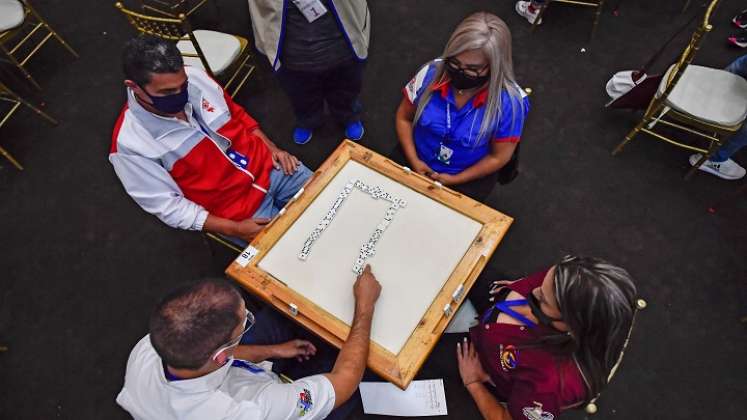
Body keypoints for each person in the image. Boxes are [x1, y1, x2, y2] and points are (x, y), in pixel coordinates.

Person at [110, 36, 311, 244]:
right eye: (167, 92)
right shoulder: (129, 145)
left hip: (273, 168)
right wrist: (235, 229)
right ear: (133, 87)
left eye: (183, 85)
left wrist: (272, 148)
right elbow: (170, 208)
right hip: (239, 214)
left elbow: (237, 115)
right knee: (297, 253)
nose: (180, 95)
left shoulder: (195, 76)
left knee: (338, 199)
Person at [117, 265, 382, 419]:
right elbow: (343, 381)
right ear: (220, 356)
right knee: (358, 387)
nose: (248, 320)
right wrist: (364, 306)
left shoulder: (153, 344)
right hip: (262, 402)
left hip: (212, 378)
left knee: (277, 321)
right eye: (245, 320)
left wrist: (274, 351)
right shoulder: (248, 411)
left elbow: (216, 356)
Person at [456, 255, 638, 420]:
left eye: (542, 300)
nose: (532, 291)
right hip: (493, 313)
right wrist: (518, 287)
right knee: (460, 260)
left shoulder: (549, 386)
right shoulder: (571, 279)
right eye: (543, 282)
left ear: (571, 325)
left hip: (483, 365)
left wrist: (473, 383)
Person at [395, 12, 529, 200]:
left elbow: (499, 157)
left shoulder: (511, 104)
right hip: (414, 159)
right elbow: (404, 117)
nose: (460, 72)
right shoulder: (430, 72)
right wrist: (414, 161)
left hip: (466, 178)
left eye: (472, 69)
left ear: (495, 66)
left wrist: (455, 179)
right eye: (454, 63)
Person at [247, 0, 369, 144]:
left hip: (339, 40)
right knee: (301, 94)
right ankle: (308, 120)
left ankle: (348, 115)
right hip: (293, 49)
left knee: (345, 87)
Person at [689, 54, 747, 180]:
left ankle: (711, 96)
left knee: (740, 66)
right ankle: (713, 159)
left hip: (725, 85)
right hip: (734, 100)